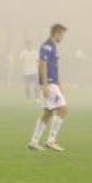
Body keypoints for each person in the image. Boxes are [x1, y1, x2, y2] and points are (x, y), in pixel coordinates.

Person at [28, 24, 68, 152]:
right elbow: (42, 64)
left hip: (53, 83)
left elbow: (53, 66)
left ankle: (34, 142)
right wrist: (45, 85)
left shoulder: (53, 46)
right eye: (62, 34)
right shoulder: (47, 46)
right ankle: (51, 140)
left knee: (48, 113)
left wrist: (59, 83)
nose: (63, 37)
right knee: (63, 110)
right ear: (56, 33)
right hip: (49, 84)